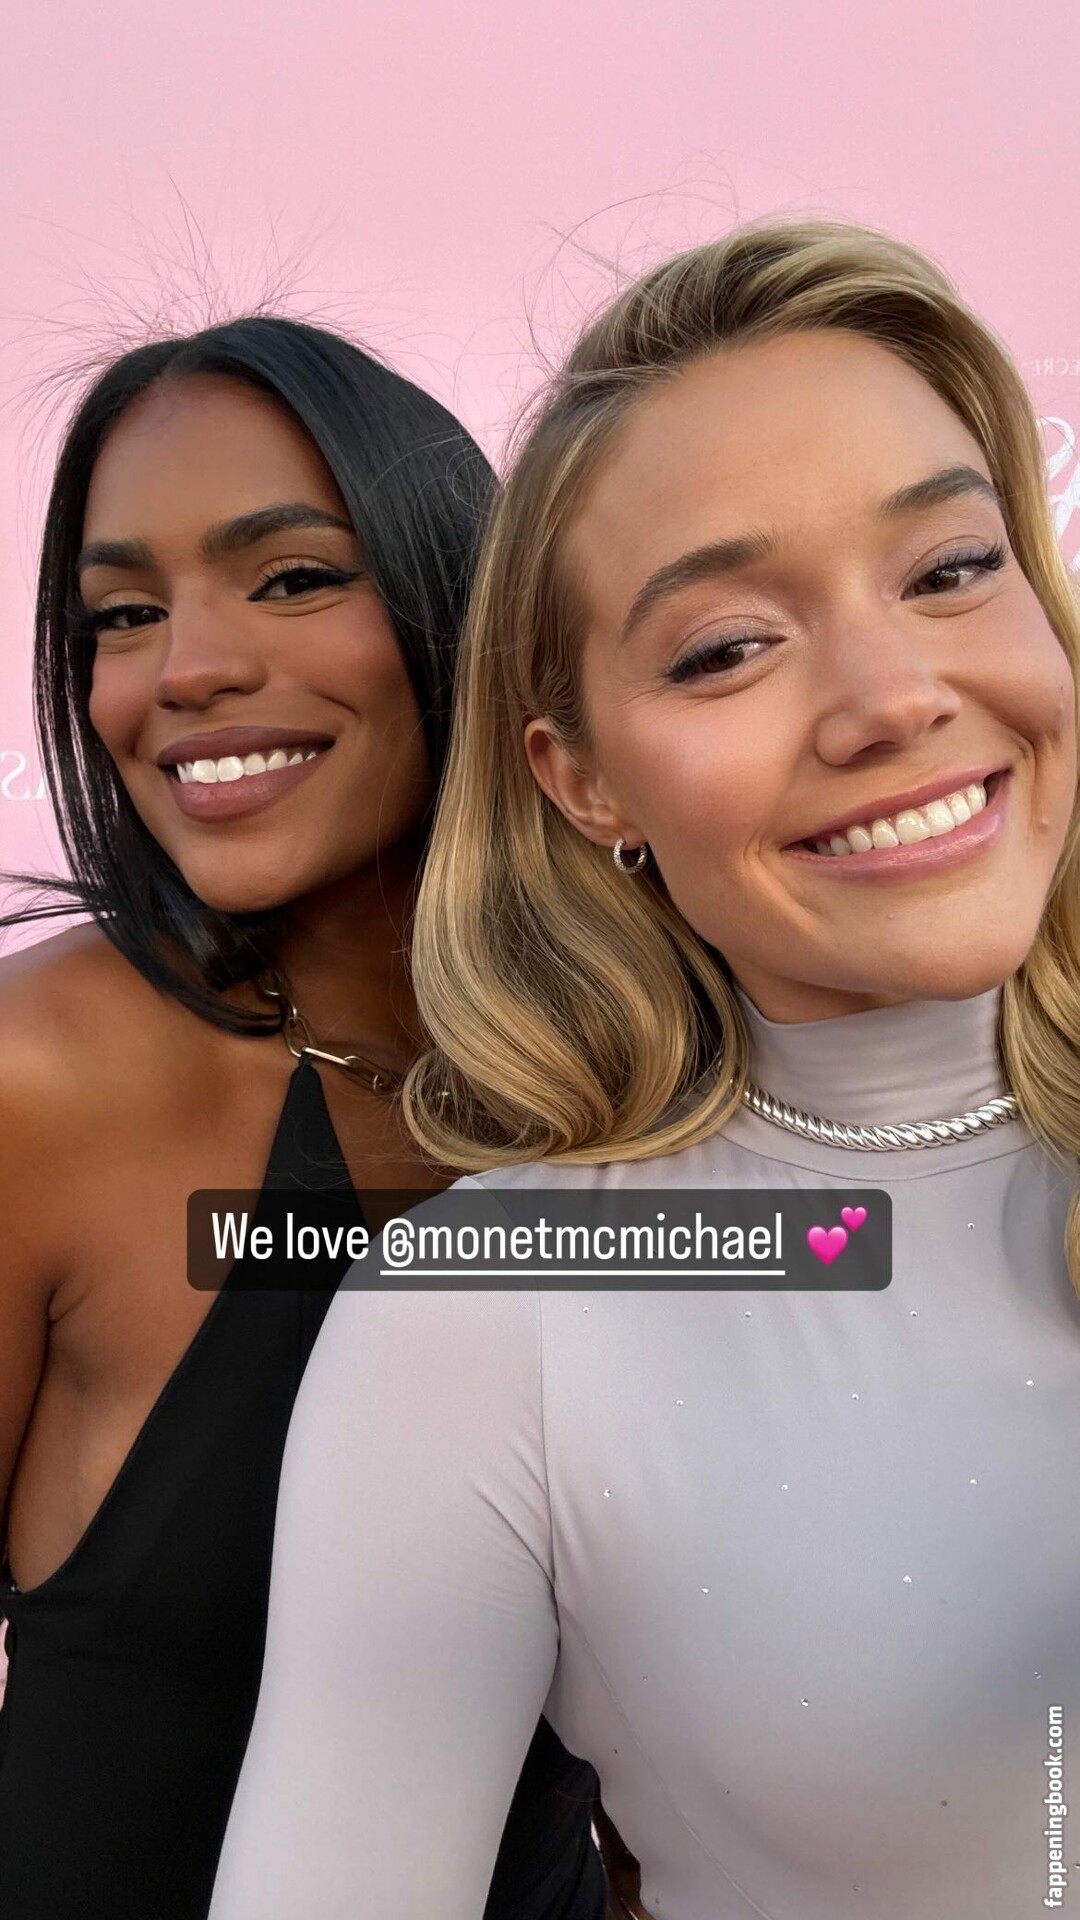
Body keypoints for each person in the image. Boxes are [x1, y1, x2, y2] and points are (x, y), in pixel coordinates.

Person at [209, 223, 1080, 1920]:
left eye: (952, 568)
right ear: (583, 779)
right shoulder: (495, 1312)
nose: (893, 698)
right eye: (726, 648)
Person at [0, 316, 609, 1920]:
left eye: (290, 578)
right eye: (123, 615)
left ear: (459, 601)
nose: (184, 669)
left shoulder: (645, 1075)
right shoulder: (40, 1086)